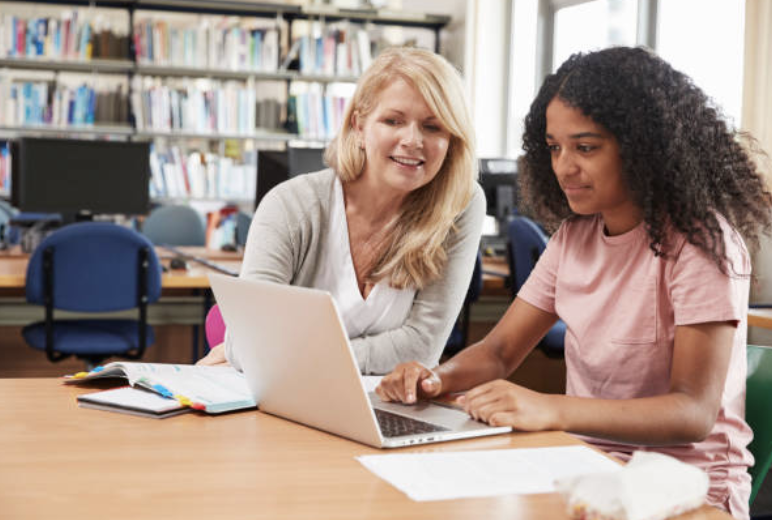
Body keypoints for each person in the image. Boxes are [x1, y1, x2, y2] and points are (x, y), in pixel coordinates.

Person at [376, 46, 772, 519]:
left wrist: (552, 408)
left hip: (685, 491)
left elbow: (692, 412)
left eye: (586, 147)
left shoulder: (703, 246)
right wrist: (436, 378)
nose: (564, 167)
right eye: (554, 147)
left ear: (643, 146)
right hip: (586, 471)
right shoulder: (573, 238)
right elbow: (499, 352)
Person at [198, 46, 484, 375]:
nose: (412, 140)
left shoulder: (459, 202)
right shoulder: (290, 206)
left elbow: (422, 348)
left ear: (452, 138)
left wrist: (289, 356)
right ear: (359, 126)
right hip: (282, 400)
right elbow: (250, 345)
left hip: (385, 410)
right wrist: (260, 351)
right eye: (393, 120)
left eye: (433, 127)